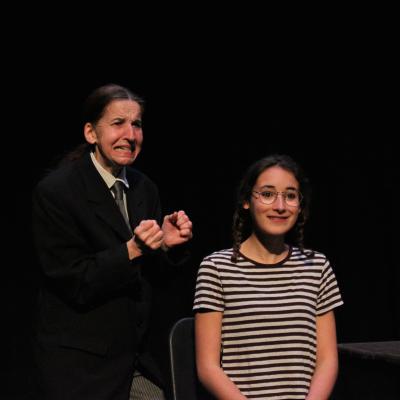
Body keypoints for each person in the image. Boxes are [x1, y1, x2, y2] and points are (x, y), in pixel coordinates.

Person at [32, 83, 193, 400]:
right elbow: (74, 280)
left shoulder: (144, 188)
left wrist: (166, 245)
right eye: (118, 123)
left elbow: (153, 281)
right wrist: (132, 249)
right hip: (78, 368)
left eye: (137, 125)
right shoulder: (58, 192)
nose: (130, 135)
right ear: (91, 133)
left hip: (131, 360)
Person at [193, 154, 343, 400]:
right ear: (246, 200)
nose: (280, 206)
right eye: (267, 194)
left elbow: (327, 360)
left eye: (290, 196)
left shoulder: (317, 266)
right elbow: (208, 368)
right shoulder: (217, 268)